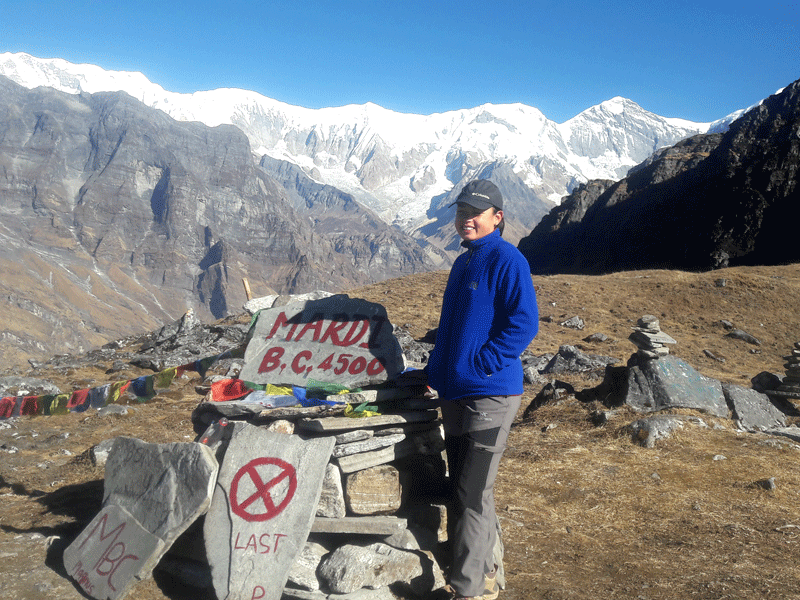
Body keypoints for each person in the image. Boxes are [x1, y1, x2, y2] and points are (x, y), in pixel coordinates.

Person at [422, 180, 539, 599]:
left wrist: (481, 365)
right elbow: (455, 330)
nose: (465, 218)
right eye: (460, 211)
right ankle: (484, 571)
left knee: (471, 492)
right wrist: (435, 370)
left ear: (497, 216)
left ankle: (467, 589)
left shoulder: (508, 259)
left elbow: (524, 323)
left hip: (490, 396)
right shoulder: (463, 262)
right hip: (456, 394)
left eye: (475, 211)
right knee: (468, 489)